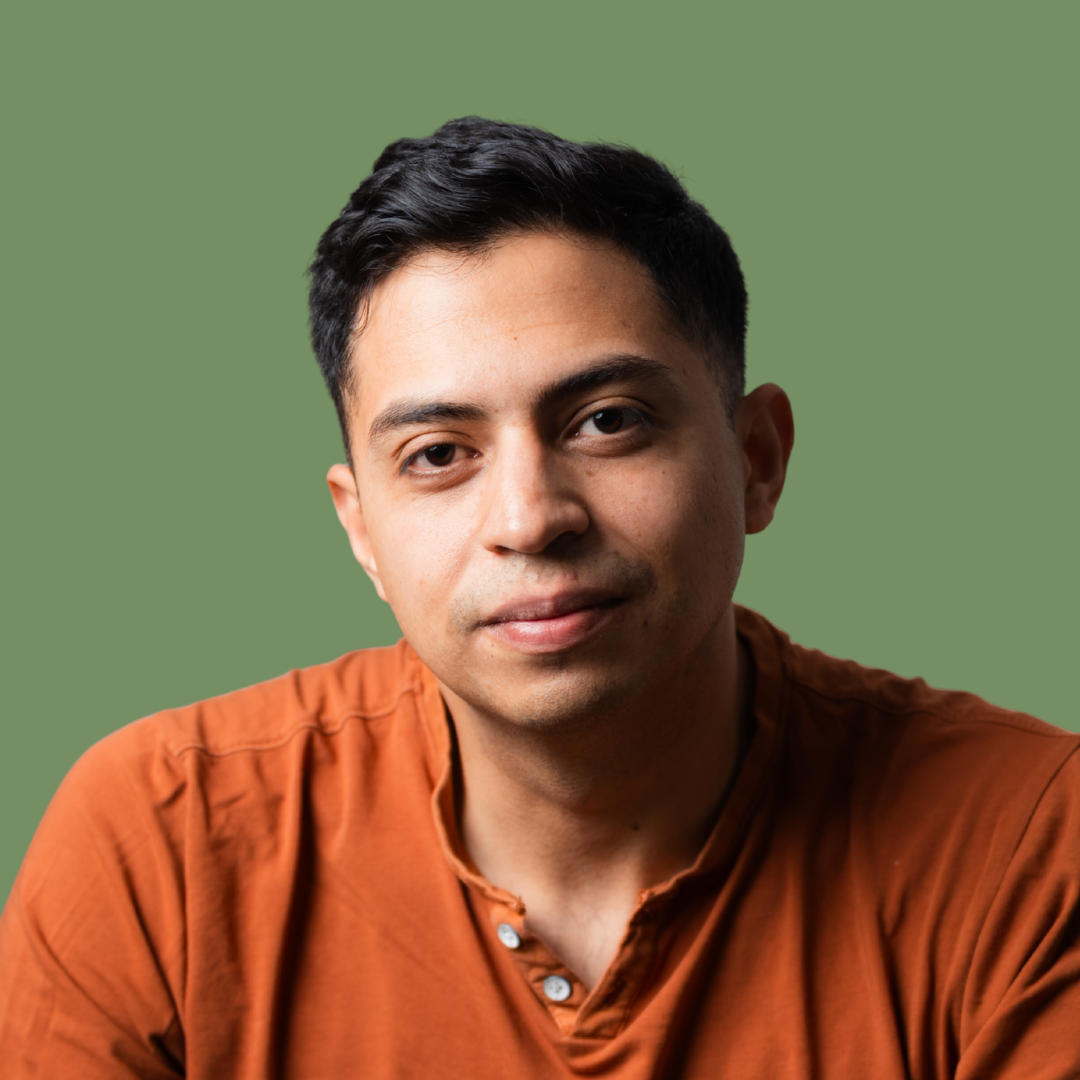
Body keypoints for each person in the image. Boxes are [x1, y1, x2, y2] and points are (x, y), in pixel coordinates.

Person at [0, 117, 1077, 1079]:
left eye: (607, 420)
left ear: (757, 458)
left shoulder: (1030, 840)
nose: (530, 515)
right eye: (436, 454)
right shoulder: (163, 840)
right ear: (361, 529)